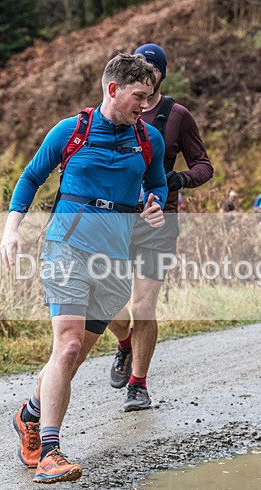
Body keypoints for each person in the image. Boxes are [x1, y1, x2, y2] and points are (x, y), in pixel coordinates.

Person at [0, 53, 168, 483]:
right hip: (67, 247)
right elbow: (31, 177)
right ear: (112, 89)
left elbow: (158, 183)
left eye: (149, 98)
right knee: (69, 345)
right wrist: (11, 229)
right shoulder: (71, 131)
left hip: (115, 257)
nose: (145, 106)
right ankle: (52, 452)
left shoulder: (149, 140)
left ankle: (30, 416)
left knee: (70, 360)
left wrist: (155, 204)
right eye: (139, 97)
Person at [107, 43, 214, 412]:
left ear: (161, 75)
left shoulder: (176, 115)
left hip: (159, 221)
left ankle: (138, 384)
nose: (146, 74)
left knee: (143, 304)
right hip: (118, 219)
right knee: (106, 303)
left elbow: (205, 165)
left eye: (151, 69)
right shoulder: (119, 110)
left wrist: (178, 181)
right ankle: (125, 343)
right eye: (139, 67)